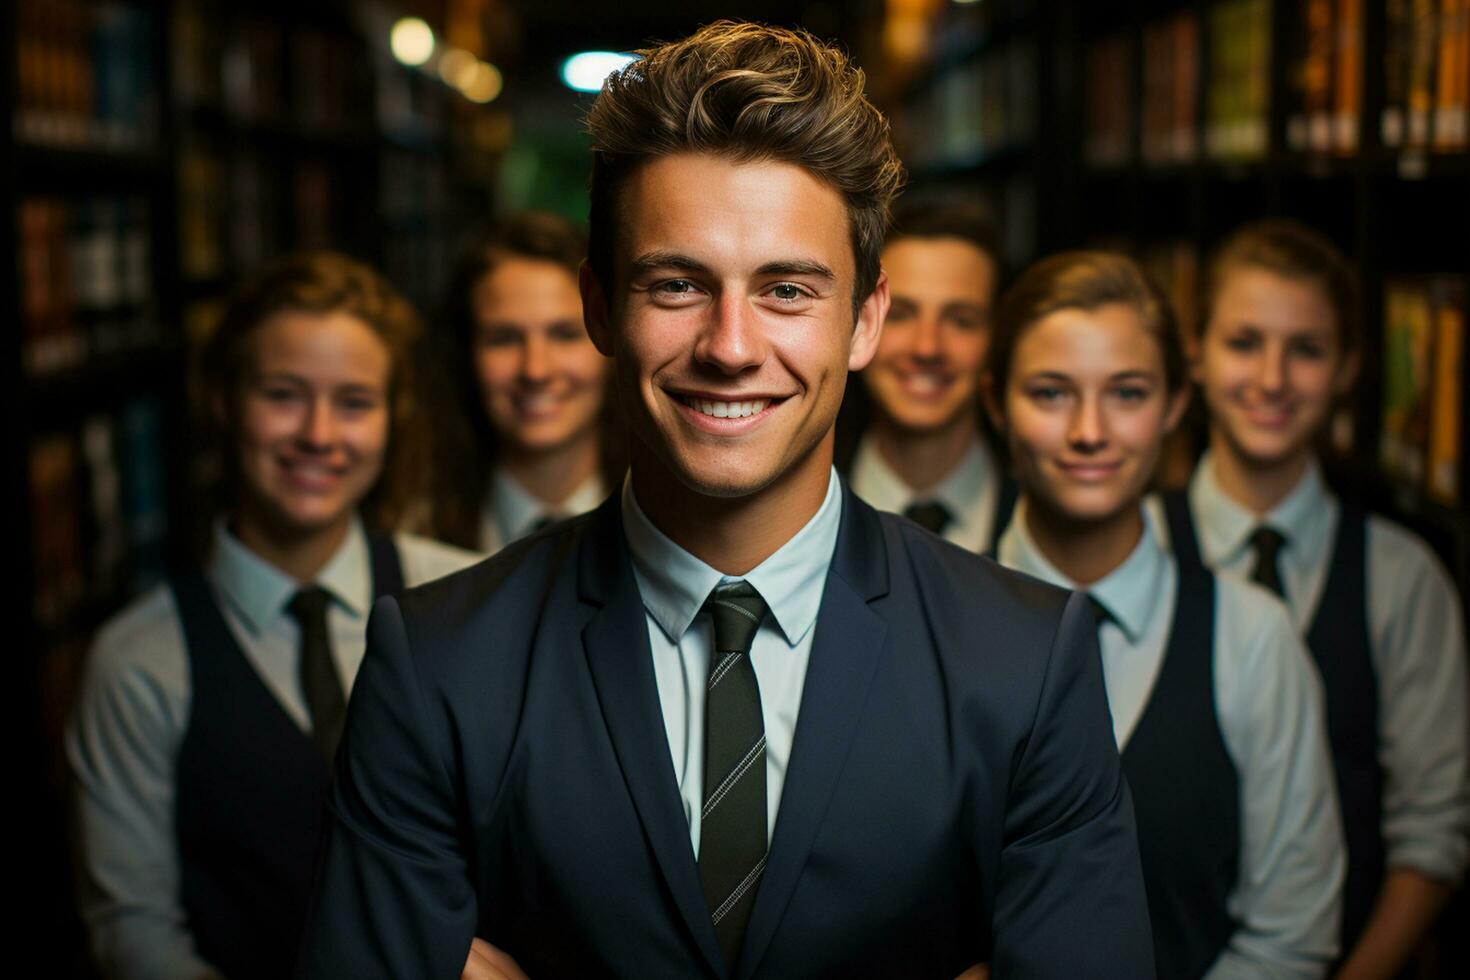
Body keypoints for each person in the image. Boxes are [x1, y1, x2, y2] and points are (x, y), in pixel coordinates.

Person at [298, 21, 1154, 980]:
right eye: (676, 284)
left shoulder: (1027, 663)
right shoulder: (438, 663)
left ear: (866, 317)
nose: (732, 346)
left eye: (787, 289)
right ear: (598, 307)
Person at [66, 252, 480, 980]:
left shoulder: (465, 597)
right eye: (283, 394)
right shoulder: (139, 661)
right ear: (224, 400)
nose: (319, 434)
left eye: (354, 401)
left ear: (392, 417)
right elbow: (134, 938)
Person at [985, 250, 1344, 978]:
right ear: (996, 404)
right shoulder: (922, 619)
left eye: (1128, 393)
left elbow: (1291, 934)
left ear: (1177, 403)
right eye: (1051, 393)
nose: (1090, 431)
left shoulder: (1252, 639)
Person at [1165, 219, 1470, 979]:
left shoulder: (1401, 577)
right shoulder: (1135, 548)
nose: (1272, 378)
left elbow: (1431, 834)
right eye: (1244, 343)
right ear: (1196, 353)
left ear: (1348, 369)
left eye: (1306, 349)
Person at [428, 212, 622, 552]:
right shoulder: (413, 545)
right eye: (504, 338)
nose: (535, 370)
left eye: (564, 334)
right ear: (465, 353)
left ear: (612, 340)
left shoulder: (679, 526)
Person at [845, 199, 1015, 551]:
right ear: (859, 323)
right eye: (901, 315)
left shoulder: (1044, 517)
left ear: (997, 339)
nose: (927, 348)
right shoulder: (791, 514)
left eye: (961, 320)